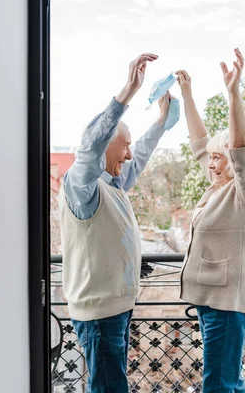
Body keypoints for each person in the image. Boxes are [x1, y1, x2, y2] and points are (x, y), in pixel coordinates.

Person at [60, 53, 178, 392]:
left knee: (111, 384)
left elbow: (138, 157)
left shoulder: (114, 183)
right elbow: (91, 146)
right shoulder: (81, 186)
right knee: (109, 388)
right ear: (107, 147)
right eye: (122, 146)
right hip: (98, 314)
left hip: (116, 309)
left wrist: (161, 122)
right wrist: (127, 92)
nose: (128, 154)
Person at [176, 48, 245, 392]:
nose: (211, 164)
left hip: (229, 305)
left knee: (218, 384)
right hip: (213, 301)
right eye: (211, 158)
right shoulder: (219, 186)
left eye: (219, 158)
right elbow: (199, 143)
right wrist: (187, 95)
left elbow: (241, 149)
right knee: (229, 381)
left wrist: (233, 94)